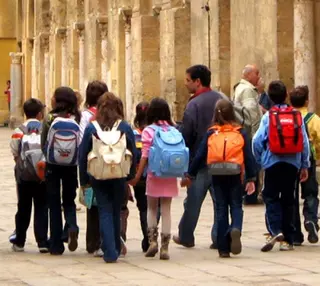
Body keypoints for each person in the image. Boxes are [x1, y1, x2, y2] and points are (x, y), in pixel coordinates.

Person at [181, 99, 256, 258]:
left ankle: (223, 248)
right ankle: (235, 227)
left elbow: (200, 155)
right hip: (235, 173)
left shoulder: (211, 132)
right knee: (236, 205)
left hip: (216, 173)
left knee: (221, 208)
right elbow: (249, 156)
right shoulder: (240, 131)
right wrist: (251, 177)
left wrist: (190, 174)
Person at [79, 92, 137, 263]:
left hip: (98, 174)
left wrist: (83, 181)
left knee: (104, 210)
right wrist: (131, 175)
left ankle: (109, 250)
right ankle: (116, 248)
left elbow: (82, 156)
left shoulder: (92, 128)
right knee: (116, 210)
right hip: (119, 174)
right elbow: (134, 152)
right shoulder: (124, 127)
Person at [253, 80, 310, 252]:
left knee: (270, 197)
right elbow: (304, 142)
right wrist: (305, 164)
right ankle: (289, 240)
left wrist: (260, 159)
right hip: (292, 163)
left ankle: (275, 230)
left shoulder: (268, 116)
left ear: (269, 97)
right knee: (289, 200)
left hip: (272, 162)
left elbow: (257, 140)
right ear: (286, 96)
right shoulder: (296, 115)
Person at [173, 65, 221, 249]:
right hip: (221, 157)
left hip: (199, 160)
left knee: (193, 200)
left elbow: (187, 133)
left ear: (197, 82)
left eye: (187, 80)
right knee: (219, 201)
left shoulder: (194, 104)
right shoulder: (221, 99)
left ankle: (186, 235)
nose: (185, 84)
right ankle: (219, 236)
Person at [129, 98, 179, 260]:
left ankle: (152, 242)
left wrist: (137, 176)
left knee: (151, 208)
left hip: (154, 174)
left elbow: (144, 156)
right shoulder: (173, 129)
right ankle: (165, 247)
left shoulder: (149, 130)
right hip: (170, 175)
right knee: (166, 210)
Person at [41, 86, 81, 255]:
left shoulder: (50, 117)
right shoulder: (77, 117)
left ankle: (56, 244)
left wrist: (50, 157)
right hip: (71, 165)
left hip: (53, 165)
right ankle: (71, 227)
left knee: (54, 203)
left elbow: (44, 142)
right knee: (69, 200)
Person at [10, 98, 49, 252]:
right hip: (41, 173)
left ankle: (20, 240)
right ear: (40, 114)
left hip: (24, 175)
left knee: (23, 207)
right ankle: (42, 242)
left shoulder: (19, 131)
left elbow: (15, 151)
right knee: (41, 206)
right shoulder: (44, 128)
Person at [79, 81, 108, 257]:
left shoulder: (85, 116)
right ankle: (111, 239)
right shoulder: (114, 115)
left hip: (92, 164)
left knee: (93, 205)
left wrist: (82, 176)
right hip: (112, 164)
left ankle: (93, 242)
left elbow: (82, 142)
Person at [290, 85, 320, 245]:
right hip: (308, 159)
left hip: (290, 159)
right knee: (310, 192)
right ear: (307, 100)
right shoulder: (313, 119)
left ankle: (295, 233)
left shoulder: (287, 117)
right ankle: (311, 219)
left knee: (292, 195)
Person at [234, 64, 263, 205]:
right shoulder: (247, 90)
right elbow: (252, 114)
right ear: (249, 75)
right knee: (252, 163)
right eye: (257, 73)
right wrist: (257, 135)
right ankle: (251, 194)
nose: (258, 76)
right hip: (250, 133)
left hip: (243, 131)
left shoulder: (240, 87)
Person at [132, 101, 150, 252]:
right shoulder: (156, 132)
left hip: (139, 178)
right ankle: (153, 232)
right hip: (155, 175)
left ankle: (147, 237)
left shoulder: (133, 134)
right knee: (156, 208)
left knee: (143, 208)